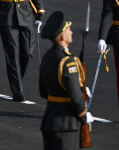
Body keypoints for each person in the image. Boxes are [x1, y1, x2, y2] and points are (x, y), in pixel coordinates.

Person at [38, 10, 91, 150]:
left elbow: (43, 92)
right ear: (62, 36)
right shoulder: (68, 62)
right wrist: (83, 116)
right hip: (65, 123)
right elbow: (75, 95)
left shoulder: (46, 57)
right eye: (69, 30)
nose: (72, 32)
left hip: (48, 120)